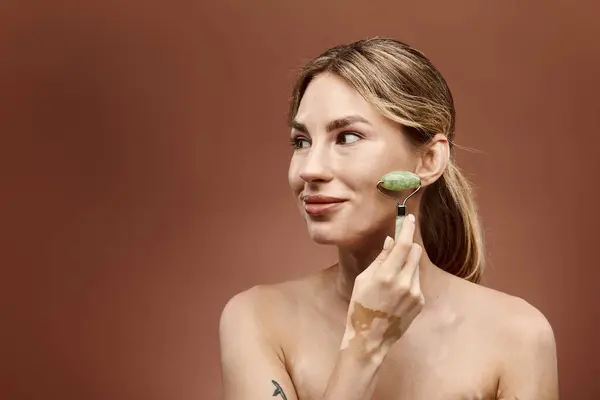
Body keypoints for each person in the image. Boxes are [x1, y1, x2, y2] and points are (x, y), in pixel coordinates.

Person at [218, 37, 559, 400]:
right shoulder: (257, 320)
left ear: (428, 161)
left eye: (347, 137)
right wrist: (364, 345)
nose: (310, 169)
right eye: (301, 142)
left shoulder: (518, 337)